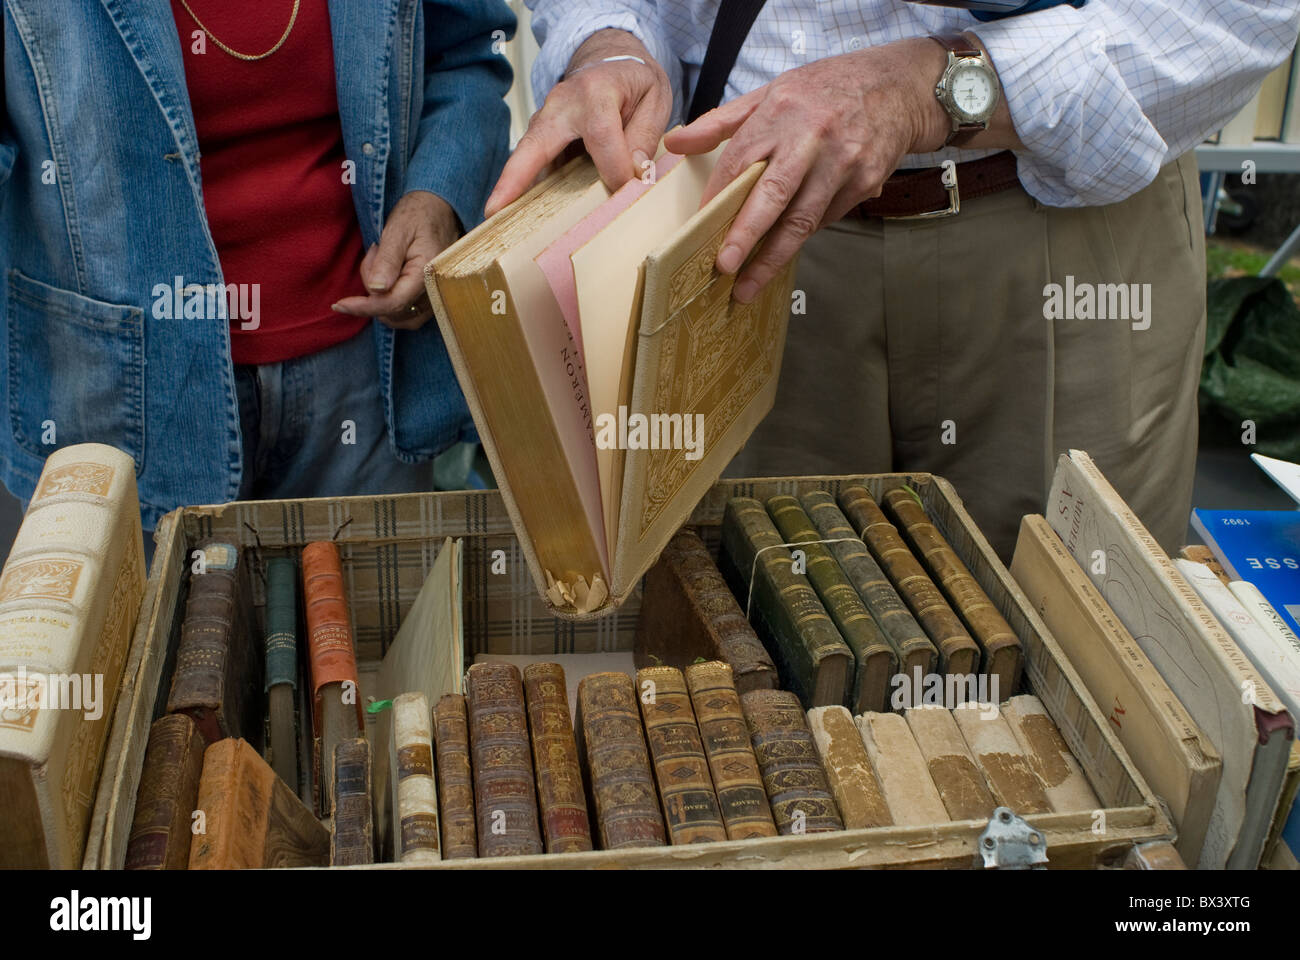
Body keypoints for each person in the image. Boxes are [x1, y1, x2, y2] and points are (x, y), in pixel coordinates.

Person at [487, 0, 1300, 558]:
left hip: (1065, 223)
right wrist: (613, 45)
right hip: (739, 239)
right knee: (755, 669)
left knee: (1085, 680)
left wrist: (933, 86)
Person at [0, 0, 513, 529]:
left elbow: (467, 54)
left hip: (364, 382)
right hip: (119, 400)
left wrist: (438, 196)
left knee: (364, 611)